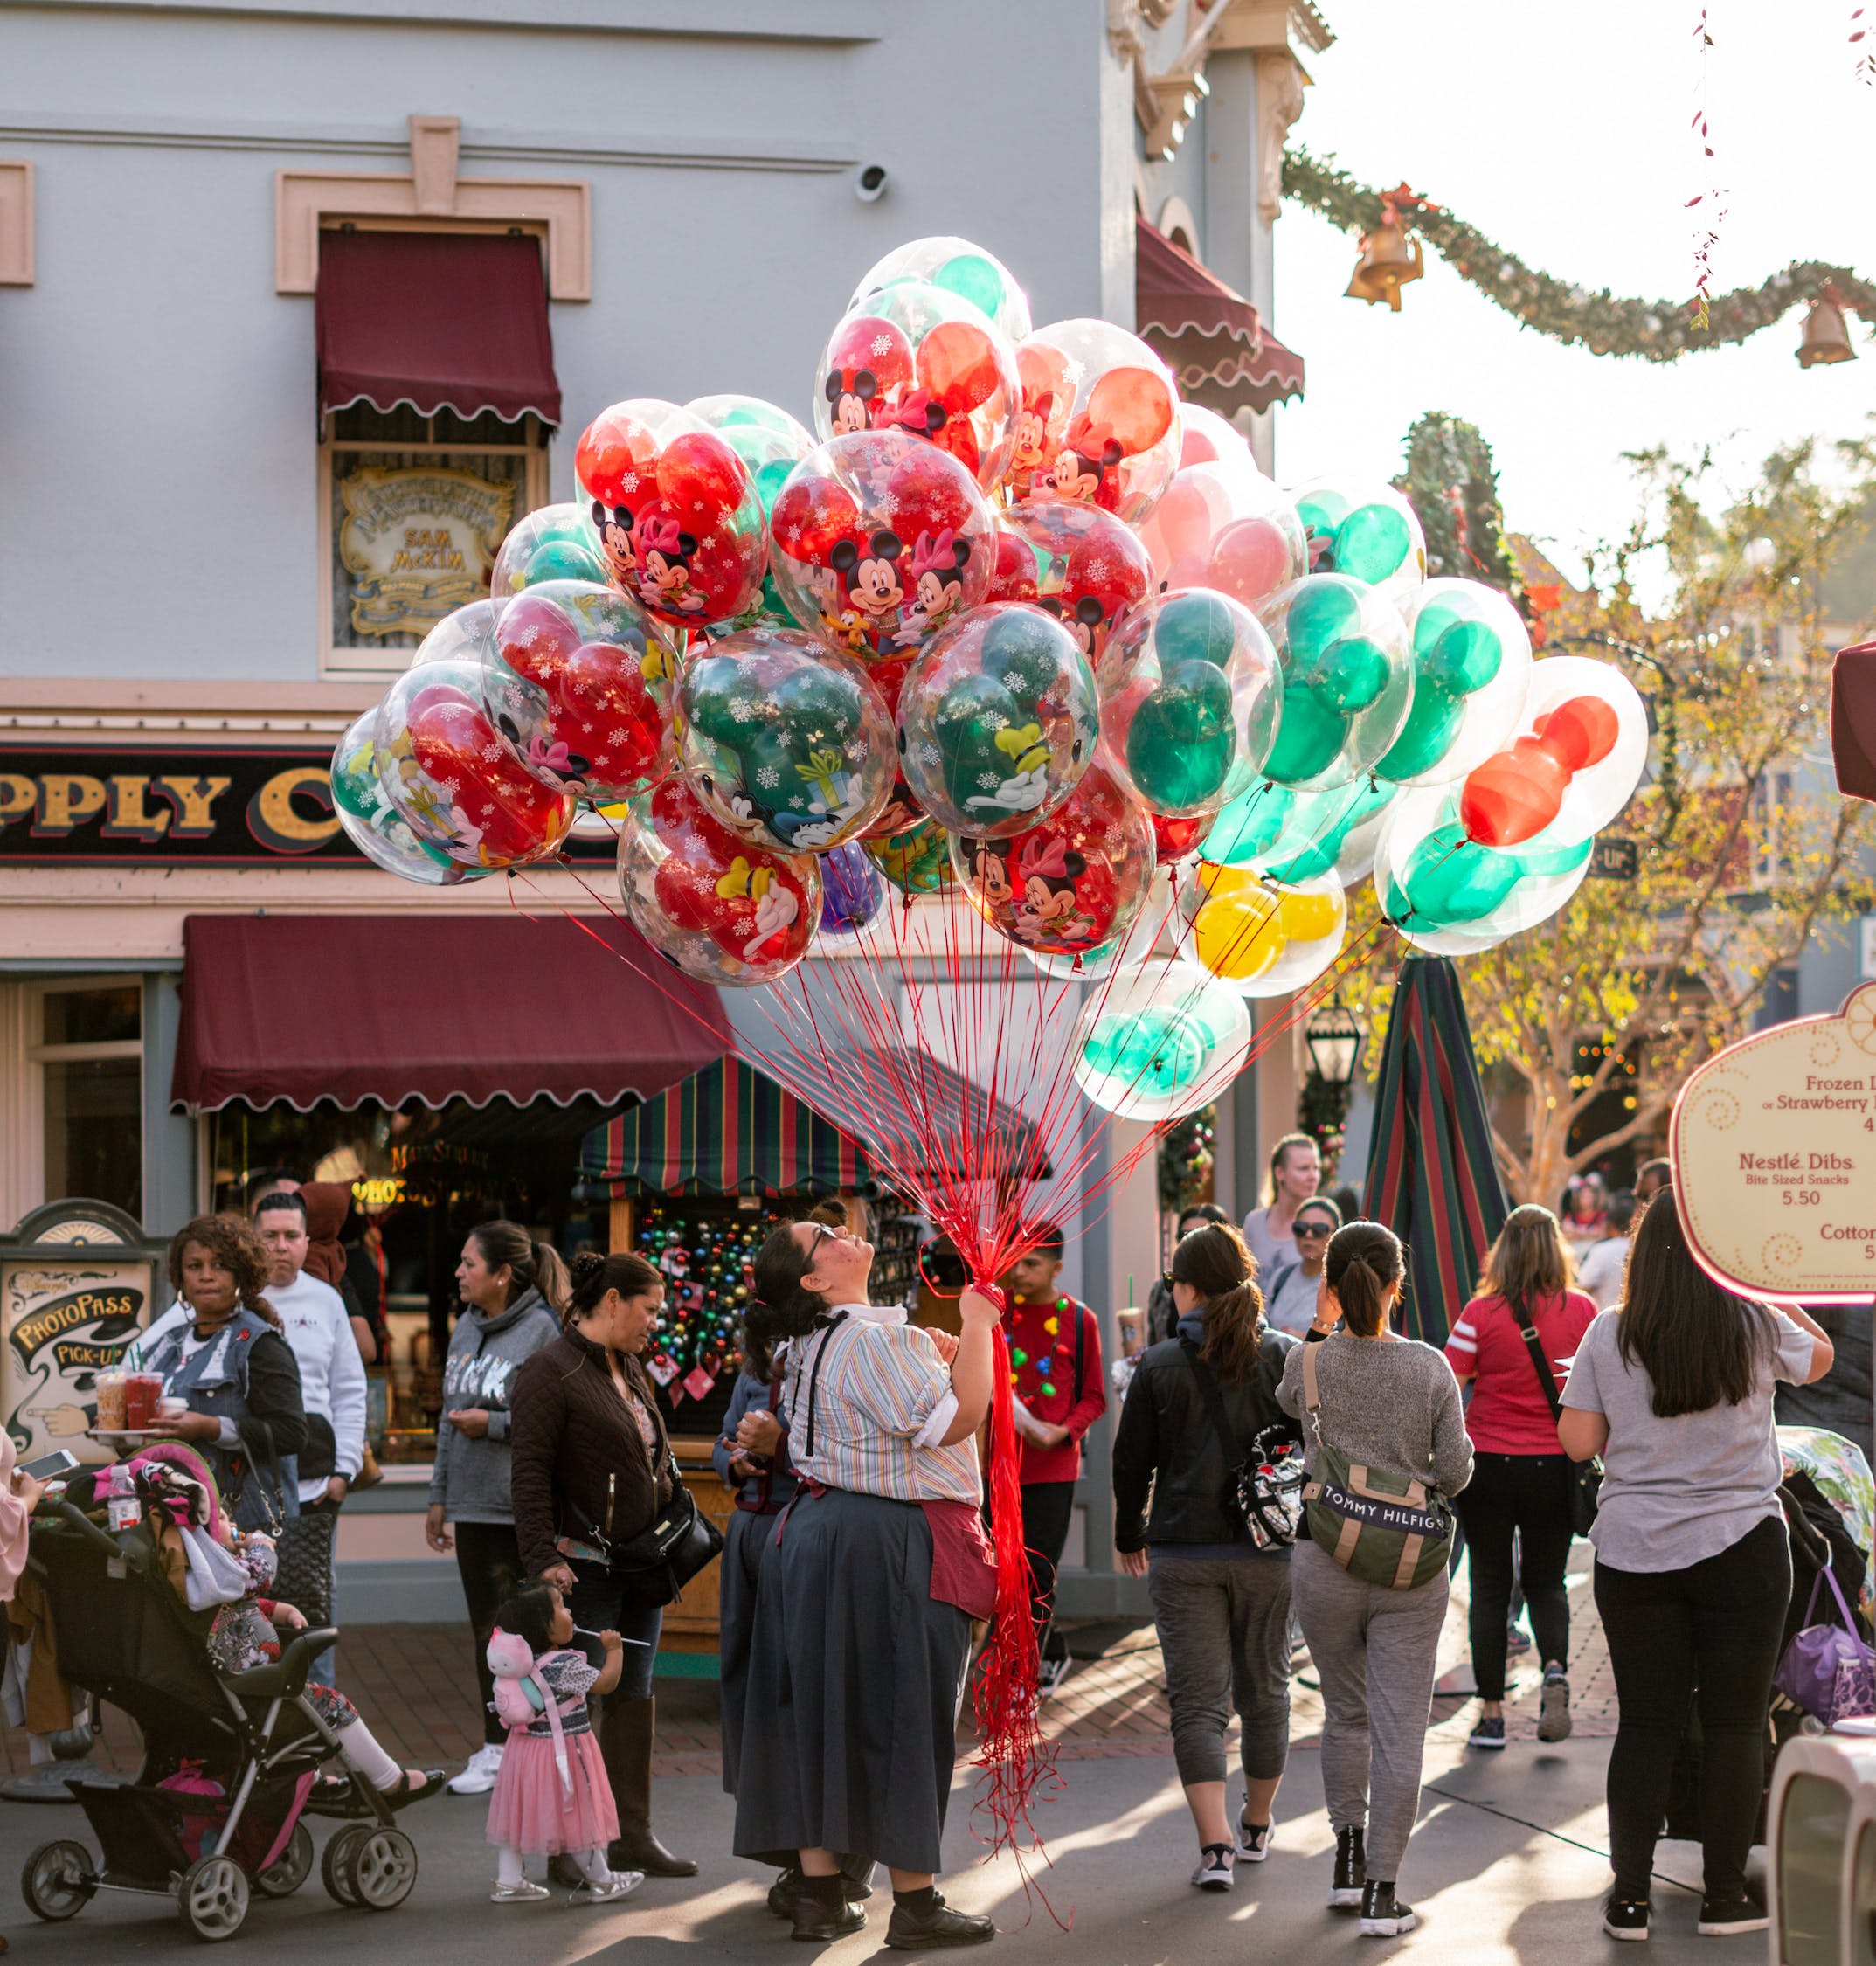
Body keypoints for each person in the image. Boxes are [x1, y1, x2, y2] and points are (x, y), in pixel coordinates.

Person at [1560, 1187, 1833, 1943]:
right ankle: (1722, 1898)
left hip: (1634, 1553)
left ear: (1639, 1257)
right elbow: (1820, 1360)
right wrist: (1767, 1286)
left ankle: (1628, 1901)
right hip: (1743, 1545)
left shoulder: (1608, 1334)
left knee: (1643, 1725)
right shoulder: (1751, 1320)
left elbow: (1577, 1443)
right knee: (1736, 1723)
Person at [731, 1218, 999, 1948]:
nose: (843, 1230)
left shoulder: (809, 1344)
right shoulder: (877, 1339)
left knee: (816, 1712)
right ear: (814, 1280)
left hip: (816, 1534)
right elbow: (957, 1420)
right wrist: (978, 1325)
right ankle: (913, 1905)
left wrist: (946, 1352)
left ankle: (820, 1893)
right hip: (882, 1541)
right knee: (904, 1710)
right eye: (823, 1235)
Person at [1277, 1222, 1472, 1939]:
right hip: (1408, 1569)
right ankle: (1382, 1894)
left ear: (1331, 1283)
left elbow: (1287, 1400)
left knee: (1345, 1713)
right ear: (1398, 1284)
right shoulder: (1428, 1368)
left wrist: (1320, 1326)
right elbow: (1453, 1471)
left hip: (1323, 1558)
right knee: (1399, 1729)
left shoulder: (1312, 1362)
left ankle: (1346, 1858)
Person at [1112, 1223, 1301, 1891]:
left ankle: (1214, 1847)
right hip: (1267, 1553)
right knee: (1266, 1690)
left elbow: (1130, 1461)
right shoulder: (1282, 1356)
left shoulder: (1158, 1365)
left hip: (1182, 1549)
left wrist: (1128, 1531)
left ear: (1188, 1288)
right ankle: (1256, 1823)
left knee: (1197, 1704)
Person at [509, 1250, 694, 1882]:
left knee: (634, 1693)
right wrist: (541, 1562)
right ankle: (568, 1847)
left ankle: (629, 1835)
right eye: (649, 1310)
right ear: (611, 1301)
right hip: (581, 1570)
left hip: (642, 1564)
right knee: (574, 1707)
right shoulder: (547, 1370)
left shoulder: (629, 1365)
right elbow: (528, 1475)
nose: (655, 1324)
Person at [1443, 1205, 1598, 1751]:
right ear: (1557, 1247)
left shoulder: (1480, 1313)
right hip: (1555, 1465)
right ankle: (1555, 1668)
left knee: (1488, 1586)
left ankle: (1490, 1714)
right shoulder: (1582, 1311)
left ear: (1502, 1249)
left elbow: (1448, 1381)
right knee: (1546, 1581)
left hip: (1487, 1465)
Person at [427, 1222, 564, 1798]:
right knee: (486, 1633)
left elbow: (555, 1423)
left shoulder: (541, 1333)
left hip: (517, 1507)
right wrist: (438, 1495)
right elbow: (445, 1416)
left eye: (469, 1264)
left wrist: (494, 1425)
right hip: (469, 1504)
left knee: (525, 1634)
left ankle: (538, 1743)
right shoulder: (464, 1328)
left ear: (502, 1274)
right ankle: (493, 1745)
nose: (458, 1273)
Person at [129, 1215, 309, 1533]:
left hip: (247, 1529)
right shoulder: (166, 1345)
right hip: (172, 1523)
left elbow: (292, 1432)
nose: (207, 1276)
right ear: (180, 1277)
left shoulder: (259, 1344)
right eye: (195, 1266)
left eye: (220, 1265)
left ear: (241, 1273)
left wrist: (209, 1427)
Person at [253, 1189, 365, 1688]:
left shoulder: (327, 1299)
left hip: (317, 1477)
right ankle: (259, 1698)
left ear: (307, 1240)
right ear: (252, 1239)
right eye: (269, 1236)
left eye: (291, 1236)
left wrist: (345, 1471)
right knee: (253, 1587)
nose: (281, 1246)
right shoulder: (233, 1298)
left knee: (317, 1592)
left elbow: (349, 1389)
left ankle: (320, 1702)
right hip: (251, 1474)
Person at [484, 1578, 641, 1905]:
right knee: (577, 1811)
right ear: (544, 1626)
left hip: (524, 1751)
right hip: (565, 1750)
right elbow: (607, 1683)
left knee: (518, 1811)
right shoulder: (564, 1665)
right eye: (560, 1607)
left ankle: (509, 1881)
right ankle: (602, 1880)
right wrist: (615, 1649)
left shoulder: (517, 1664)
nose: (569, 1612)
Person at [1000, 1224, 1106, 1695]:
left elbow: (1095, 1397)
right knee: (1000, 1573)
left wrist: (1062, 1431)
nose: (1019, 1272)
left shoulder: (1080, 1320)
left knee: (1038, 1572)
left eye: (1032, 1264)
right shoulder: (998, 1316)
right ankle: (1017, 1661)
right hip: (998, 1467)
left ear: (1056, 1269)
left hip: (1052, 1470)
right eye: (1014, 1261)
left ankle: (1024, 1677)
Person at [1146, 1204, 1231, 1345]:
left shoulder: (1232, 1288)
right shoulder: (1162, 1290)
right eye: (1185, 1236)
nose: (1191, 1244)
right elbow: (1154, 1344)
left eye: (1200, 1235)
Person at [1243, 1134, 1322, 1279]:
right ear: (1279, 1173)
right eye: (1303, 1169)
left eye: (1316, 1168)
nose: (1313, 1176)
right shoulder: (1254, 1222)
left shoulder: (1322, 1226)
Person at [1262, 1197, 1342, 1338]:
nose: (1308, 1235)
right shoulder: (1281, 1276)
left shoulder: (1342, 1283)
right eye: (1301, 1228)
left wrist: (1303, 1338)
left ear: (1335, 1234)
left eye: (1319, 1230)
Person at [1575, 1189, 1637, 1312]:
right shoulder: (1642, 1247)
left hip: (1607, 1317)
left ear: (1611, 1226)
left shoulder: (1601, 1250)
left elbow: (1583, 1285)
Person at [1560, 1174, 1609, 1262]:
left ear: (1595, 1198)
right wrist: (1589, 1234)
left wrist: (1577, 1234)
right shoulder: (1571, 1217)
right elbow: (1566, 1235)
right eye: (1583, 1196)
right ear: (1577, 1198)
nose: (1586, 1199)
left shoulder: (1601, 1216)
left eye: (1589, 1196)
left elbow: (1602, 1235)